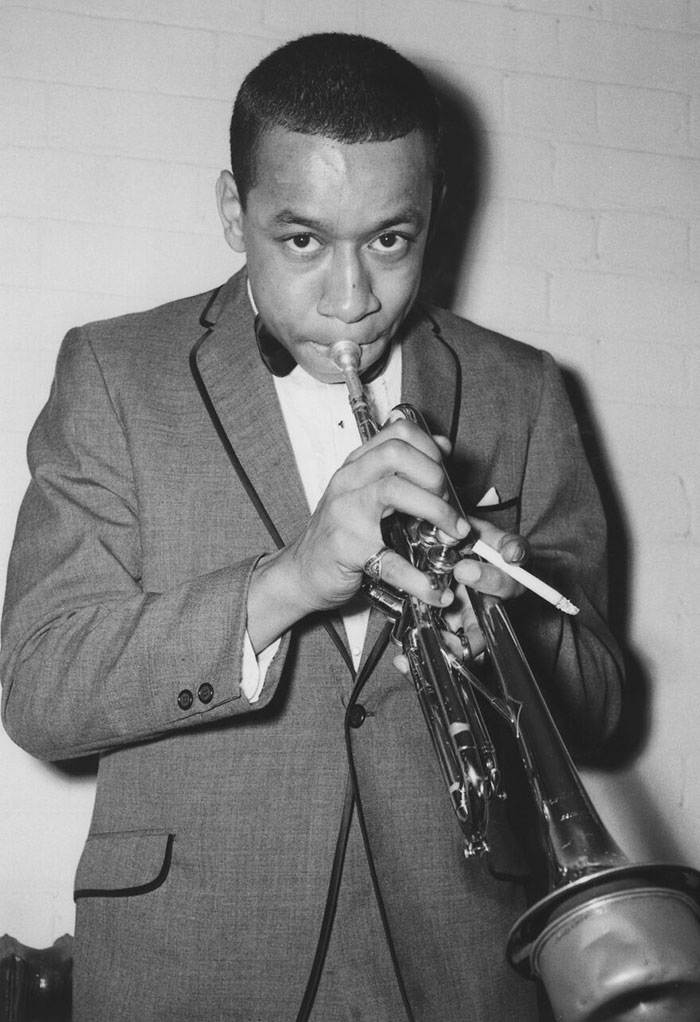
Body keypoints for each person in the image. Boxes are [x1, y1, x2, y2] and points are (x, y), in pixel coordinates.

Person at [0, 32, 623, 1022]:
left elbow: (601, 703)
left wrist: (513, 620)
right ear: (232, 211)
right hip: (196, 961)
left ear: (435, 214)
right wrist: (287, 580)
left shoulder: (523, 390)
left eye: (390, 240)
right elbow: (39, 688)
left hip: (463, 966)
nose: (351, 298)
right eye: (302, 241)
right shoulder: (116, 373)